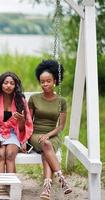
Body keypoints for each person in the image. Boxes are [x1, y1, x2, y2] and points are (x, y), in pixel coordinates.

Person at [28, 60, 72, 199]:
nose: (45, 84)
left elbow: (60, 127)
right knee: (46, 145)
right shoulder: (34, 99)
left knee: (46, 149)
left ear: (55, 81)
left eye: (48, 81)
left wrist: (48, 134)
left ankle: (46, 188)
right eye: (42, 81)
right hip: (35, 134)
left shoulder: (61, 101)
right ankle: (62, 179)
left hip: (52, 134)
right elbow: (29, 123)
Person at [0, 72, 33, 173]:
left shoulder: (20, 101)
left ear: (15, 86)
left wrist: (21, 120)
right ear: (1, 84)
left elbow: (23, 128)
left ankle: (12, 186)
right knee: (0, 155)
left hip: (13, 133)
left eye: (12, 83)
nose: (8, 86)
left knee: (10, 155)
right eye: (5, 83)